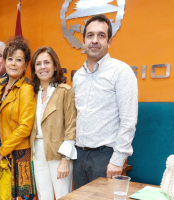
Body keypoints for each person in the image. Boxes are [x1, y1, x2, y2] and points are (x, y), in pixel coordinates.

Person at [72, 14, 138, 189]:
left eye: (101, 36)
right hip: (79, 156)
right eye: (90, 35)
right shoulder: (78, 76)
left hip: (106, 157)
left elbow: (128, 121)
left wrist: (117, 160)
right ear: (84, 41)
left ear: (109, 42)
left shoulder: (121, 71)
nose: (95, 40)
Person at [0, 36, 36, 199]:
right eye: (10, 59)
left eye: (18, 60)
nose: (13, 63)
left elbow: (25, 127)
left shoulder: (26, 90)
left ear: (25, 65)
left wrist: (3, 150)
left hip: (17, 154)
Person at [29, 46, 77, 199]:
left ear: (55, 66)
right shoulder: (31, 93)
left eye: (47, 62)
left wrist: (65, 159)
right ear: (34, 69)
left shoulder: (65, 91)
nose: (42, 67)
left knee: (64, 196)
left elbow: (72, 126)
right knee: (43, 196)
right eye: (38, 63)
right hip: (37, 150)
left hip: (59, 152)